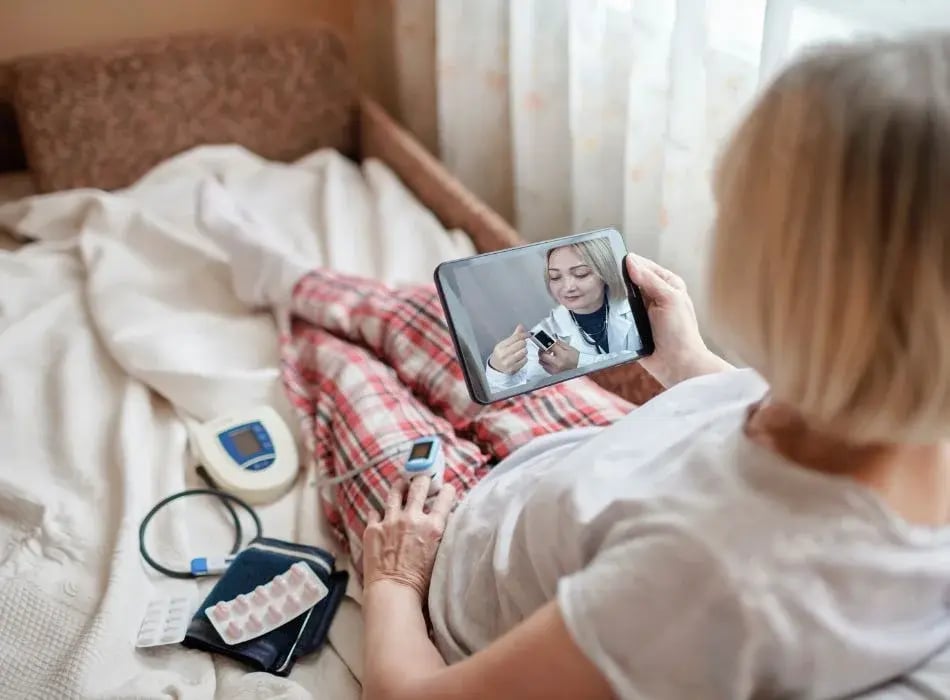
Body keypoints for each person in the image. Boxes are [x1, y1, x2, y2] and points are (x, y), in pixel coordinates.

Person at [201, 32, 950, 700]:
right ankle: (291, 280)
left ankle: (293, 312)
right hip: (596, 468)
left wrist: (395, 576)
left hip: (455, 564)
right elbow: (755, 430)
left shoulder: (704, 583)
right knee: (437, 318)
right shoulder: (892, 405)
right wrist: (686, 360)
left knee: (348, 376)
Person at [485, 237, 643, 393]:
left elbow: (645, 365)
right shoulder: (543, 335)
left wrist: (579, 363)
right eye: (555, 277)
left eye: (581, 274)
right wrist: (497, 371)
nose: (568, 287)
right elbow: (517, 395)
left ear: (605, 273)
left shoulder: (636, 307)